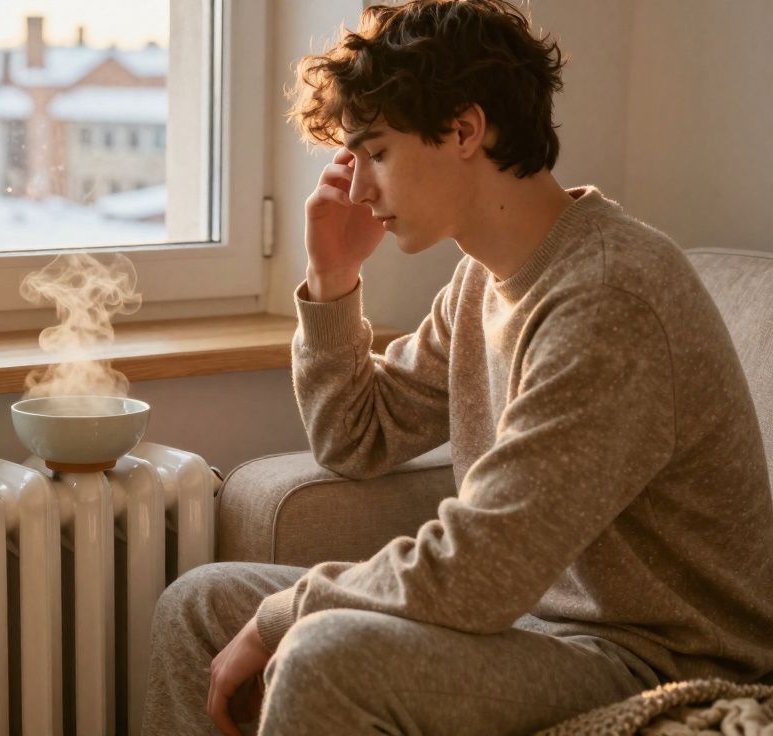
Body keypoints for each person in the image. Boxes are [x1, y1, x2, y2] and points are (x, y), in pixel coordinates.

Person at [141, 0, 773, 734]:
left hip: (658, 657)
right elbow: (355, 438)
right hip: (540, 629)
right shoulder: (483, 280)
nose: (361, 189)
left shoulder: (609, 296)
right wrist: (332, 279)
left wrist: (287, 614)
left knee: (321, 652)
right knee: (200, 608)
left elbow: (482, 569)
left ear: (466, 129)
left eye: (377, 152)